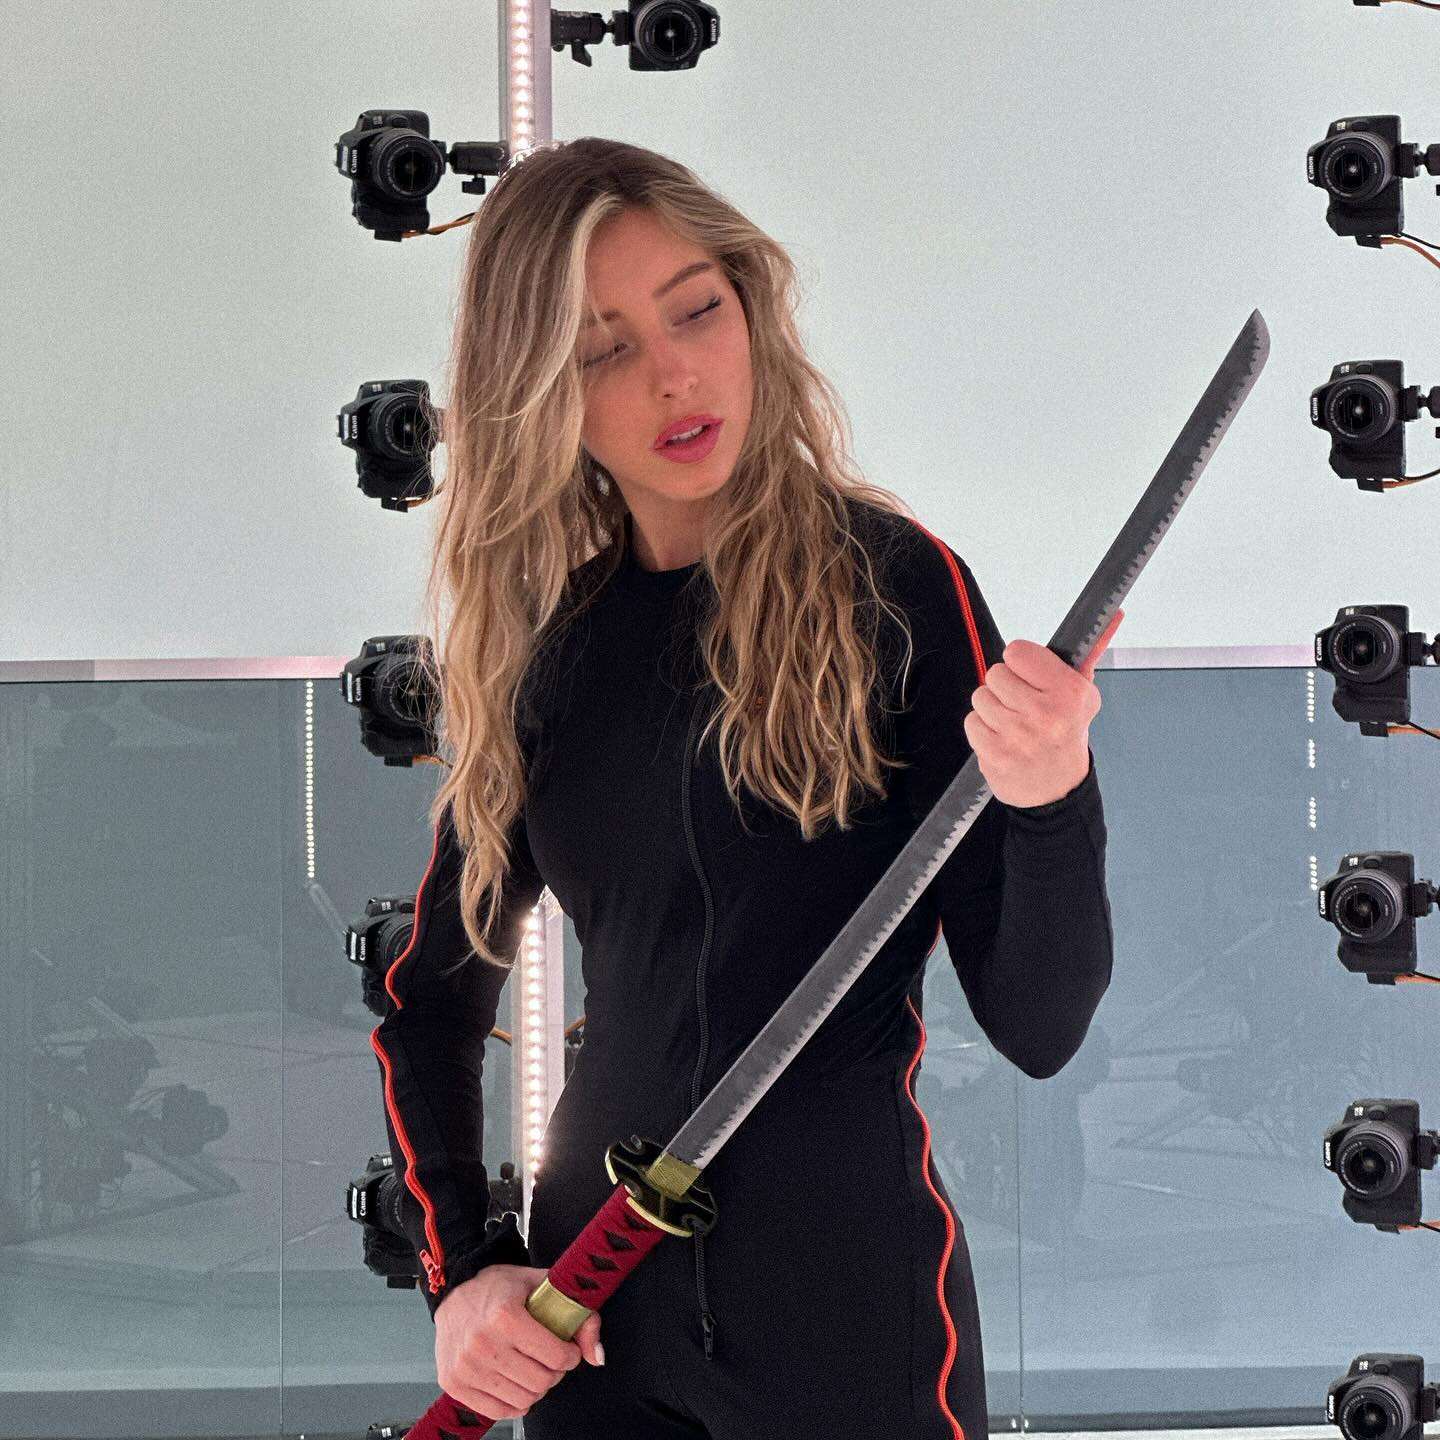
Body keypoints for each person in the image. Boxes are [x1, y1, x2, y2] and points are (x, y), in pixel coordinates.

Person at [370, 137, 1116, 1440]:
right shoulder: (545, 657)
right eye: (602, 350)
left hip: (853, 1318)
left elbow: (1039, 1024)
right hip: (594, 1322)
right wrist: (467, 1269)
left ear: (752, 307)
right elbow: (428, 1000)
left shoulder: (895, 591)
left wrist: (1052, 795)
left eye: (697, 310)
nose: (675, 374)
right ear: (536, 392)